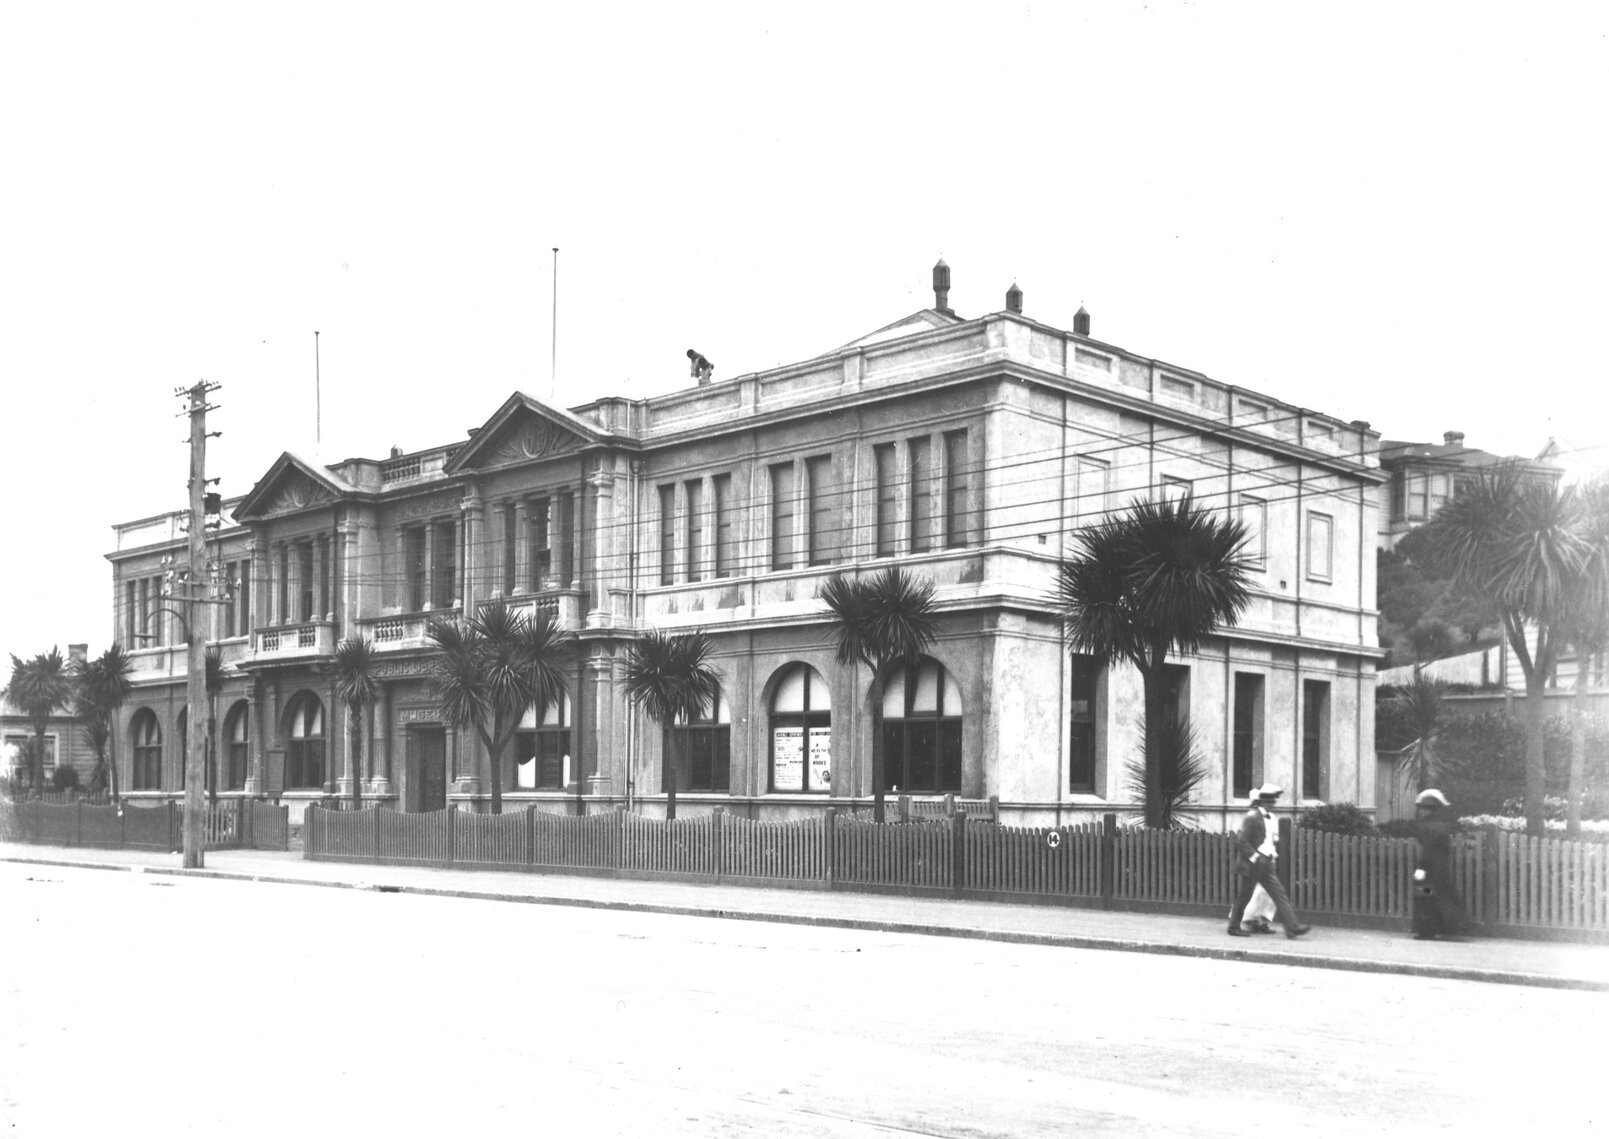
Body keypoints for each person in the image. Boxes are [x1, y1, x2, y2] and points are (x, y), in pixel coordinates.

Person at [1227, 783, 1311, 939]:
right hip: (1253, 863)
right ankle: (1233, 927)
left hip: (1267, 863)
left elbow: (1271, 840)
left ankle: (1292, 928)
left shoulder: (1272, 818)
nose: (1273, 805)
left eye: (1273, 801)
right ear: (1263, 802)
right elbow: (1241, 841)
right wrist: (1255, 857)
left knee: (1279, 894)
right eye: (1270, 802)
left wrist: (1271, 856)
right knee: (1244, 896)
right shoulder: (1252, 817)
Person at [1412, 788, 1469, 940]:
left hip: (1429, 870)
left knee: (1426, 898)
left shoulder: (1426, 826)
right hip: (1440, 870)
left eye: (1423, 808)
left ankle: (1427, 930)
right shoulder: (1441, 825)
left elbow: (1427, 847)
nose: (1421, 811)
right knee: (1440, 897)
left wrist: (1421, 868)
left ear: (1429, 810)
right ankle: (1452, 927)